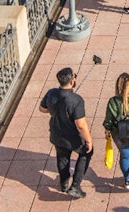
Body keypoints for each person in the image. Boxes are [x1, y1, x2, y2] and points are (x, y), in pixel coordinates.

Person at [39, 67, 94, 198]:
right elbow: (80, 125)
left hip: (57, 133)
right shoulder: (76, 100)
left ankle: (64, 183)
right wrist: (89, 140)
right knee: (86, 153)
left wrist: (54, 111)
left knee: (62, 157)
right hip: (73, 137)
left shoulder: (51, 93)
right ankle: (75, 186)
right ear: (71, 81)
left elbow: (42, 109)